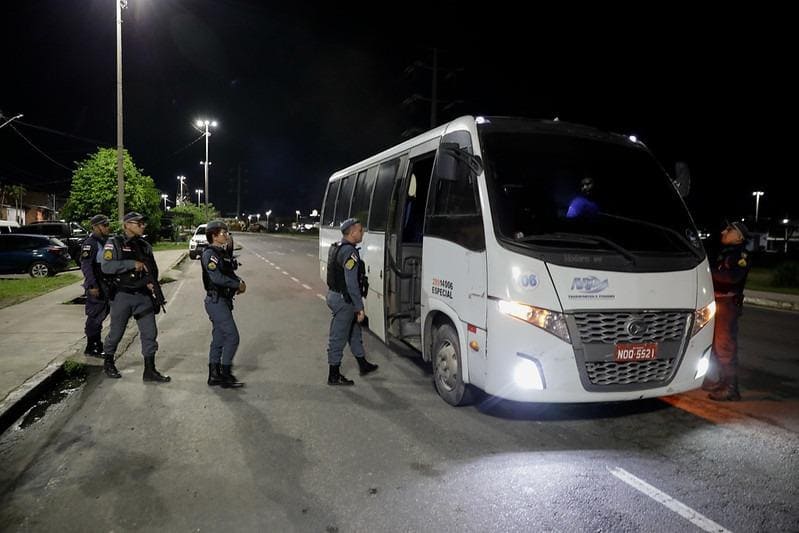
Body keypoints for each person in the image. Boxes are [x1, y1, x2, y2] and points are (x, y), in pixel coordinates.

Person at [100, 212, 170, 382]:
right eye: (138, 223)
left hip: (142, 295)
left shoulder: (145, 246)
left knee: (150, 333)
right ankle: (108, 361)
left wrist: (152, 283)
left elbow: (152, 269)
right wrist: (132, 264)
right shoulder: (114, 243)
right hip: (122, 295)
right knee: (116, 333)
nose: (142, 226)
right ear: (127, 225)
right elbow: (106, 267)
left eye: (143, 223)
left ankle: (150, 370)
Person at [325, 217, 379, 385]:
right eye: (360, 230)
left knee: (354, 331)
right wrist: (359, 307)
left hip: (336, 295)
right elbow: (351, 282)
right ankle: (333, 375)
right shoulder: (350, 252)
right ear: (353, 232)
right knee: (338, 336)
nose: (362, 233)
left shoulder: (337, 247)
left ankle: (363, 364)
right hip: (344, 300)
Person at [703, 220, 751, 401]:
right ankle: (722, 381)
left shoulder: (741, 254)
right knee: (715, 345)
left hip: (728, 304)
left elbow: (732, 277)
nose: (724, 231)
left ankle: (731, 388)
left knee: (725, 347)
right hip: (719, 303)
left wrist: (708, 272)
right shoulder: (727, 252)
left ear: (739, 236)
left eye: (729, 230)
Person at [201, 220, 245, 388]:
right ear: (213, 236)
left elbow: (229, 273)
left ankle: (214, 375)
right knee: (233, 337)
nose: (226, 235)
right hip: (216, 300)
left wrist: (240, 281)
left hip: (223, 300)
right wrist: (237, 285)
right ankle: (226, 375)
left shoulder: (221, 253)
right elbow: (217, 278)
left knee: (219, 338)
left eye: (227, 233)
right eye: (223, 233)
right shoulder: (210, 254)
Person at [80, 214, 112, 357]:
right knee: (94, 316)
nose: (107, 227)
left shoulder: (106, 241)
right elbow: (86, 266)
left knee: (102, 314)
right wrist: (92, 285)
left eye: (107, 225)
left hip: (106, 285)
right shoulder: (90, 243)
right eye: (104, 225)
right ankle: (92, 346)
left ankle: (97, 345)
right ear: (95, 227)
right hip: (96, 284)